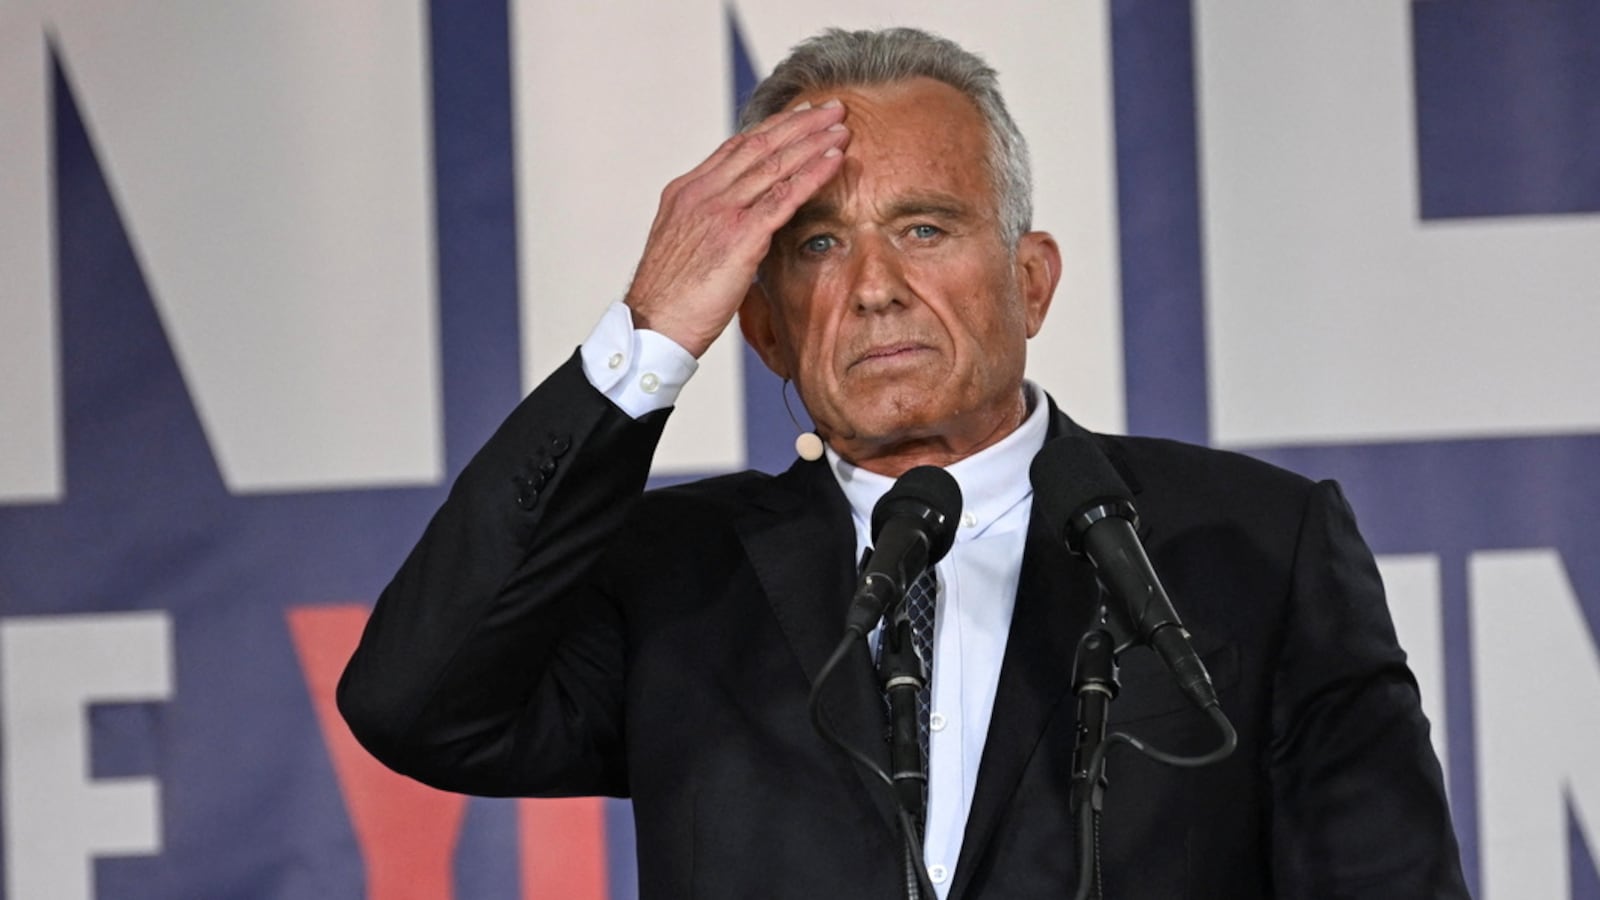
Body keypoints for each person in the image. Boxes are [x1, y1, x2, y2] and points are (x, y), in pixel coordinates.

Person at [338, 27, 1467, 899]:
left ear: (1031, 281)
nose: (874, 286)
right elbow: (413, 703)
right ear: (765, 328)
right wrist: (648, 335)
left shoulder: (1255, 546)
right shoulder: (678, 579)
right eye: (818, 245)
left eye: (924, 228)